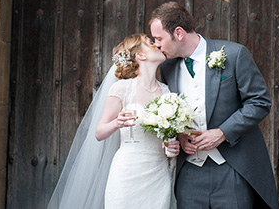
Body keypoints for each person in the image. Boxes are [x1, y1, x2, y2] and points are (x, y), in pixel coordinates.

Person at [149, 2, 279, 209]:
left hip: (232, 168)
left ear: (179, 33)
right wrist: (181, 136)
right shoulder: (167, 67)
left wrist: (222, 132)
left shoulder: (234, 54)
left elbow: (259, 102)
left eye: (159, 38)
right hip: (189, 173)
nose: (156, 45)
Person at [47, 34, 180, 209]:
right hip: (127, 172)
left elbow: (166, 136)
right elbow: (99, 132)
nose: (156, 44)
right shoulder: (122, 88)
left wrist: (170, 146)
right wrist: (117, 122)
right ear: (140, 56)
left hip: (158, 173)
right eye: (150, 43)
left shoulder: (167, 92)